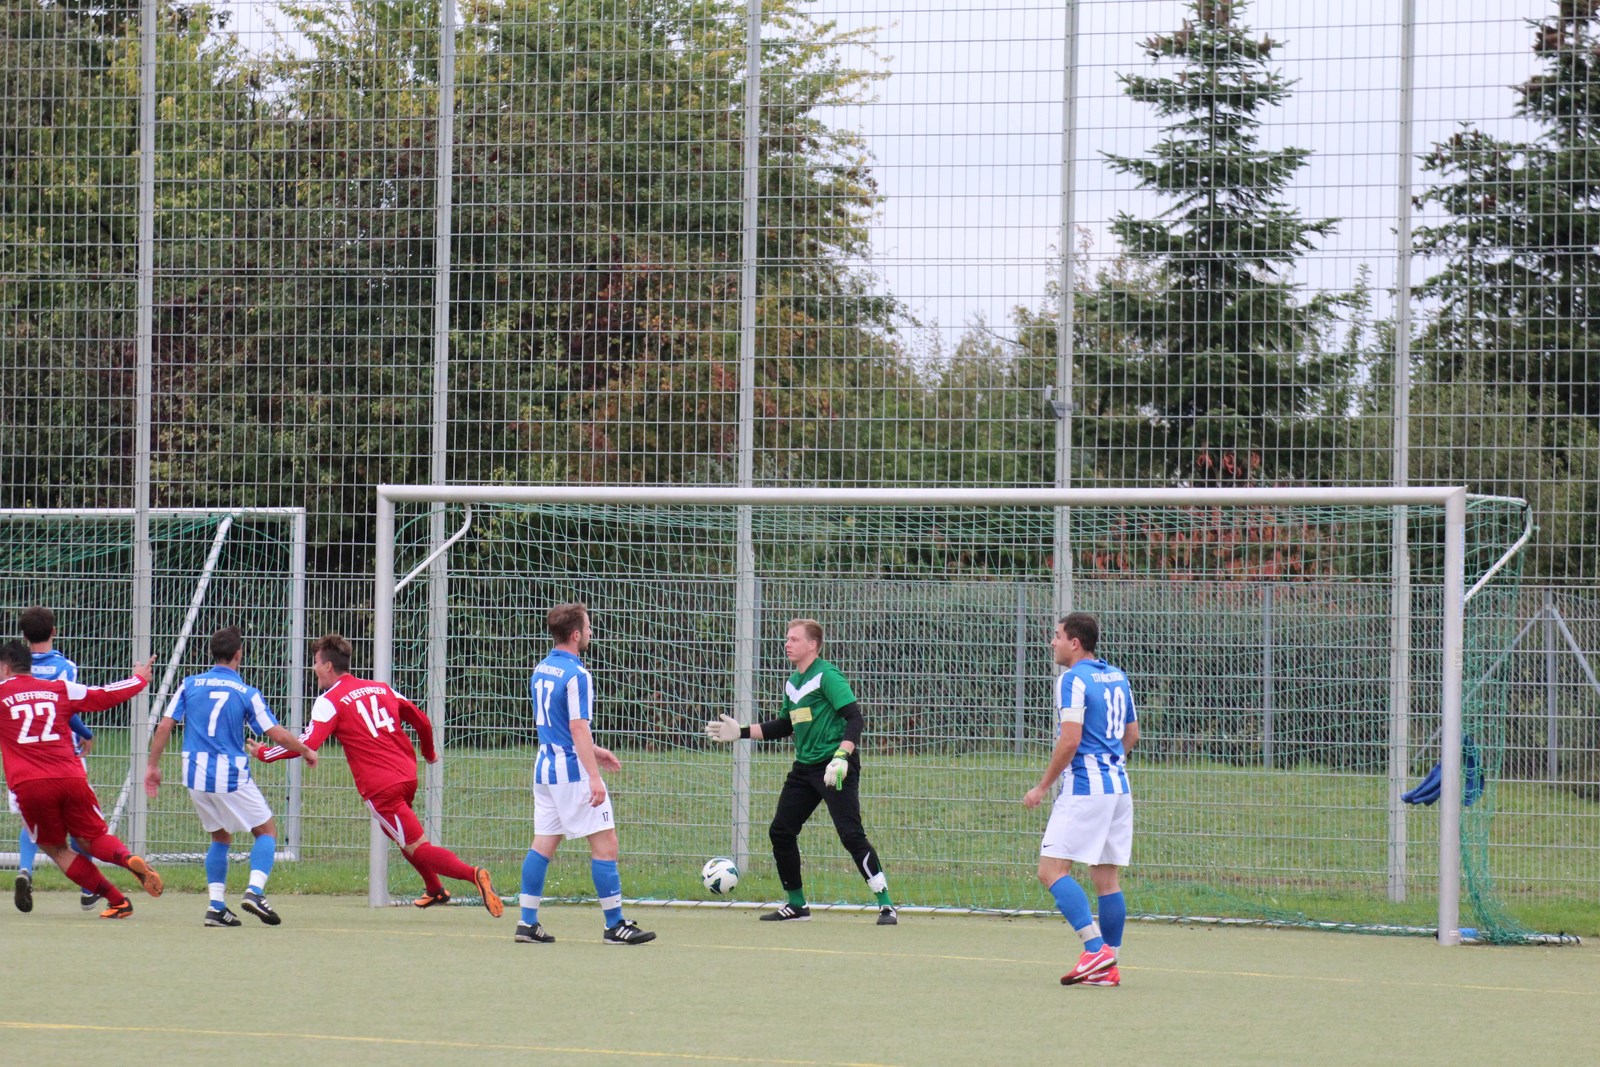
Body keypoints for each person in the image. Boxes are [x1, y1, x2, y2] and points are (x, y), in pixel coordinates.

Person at [251, 633, 502, 916]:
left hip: (382, 787)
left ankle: (474, 875)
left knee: (417, 845)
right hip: (407, 776)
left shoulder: (329, 700)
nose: (313, 668)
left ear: (328, 666)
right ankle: (434, 889)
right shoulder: (381, 688)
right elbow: (421, 720)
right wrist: (429, 753)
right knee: (399, 834)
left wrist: (264, 754)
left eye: (315, 662)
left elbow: (307, 744)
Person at [705, 618, 897, 925]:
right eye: (787, 638)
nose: (787, 643)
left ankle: (886, 904)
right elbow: (784, 725)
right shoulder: (792, 683)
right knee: (781, 831)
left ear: (813, 644)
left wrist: (841, 756)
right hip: (804, 769)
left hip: (834, 766)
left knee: (850, 834)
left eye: (794, 639)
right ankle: (796, 905)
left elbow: (855, 719)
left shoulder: (828, 676)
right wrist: (740, 732)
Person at [144, 626, 319, 927]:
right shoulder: (246, 693)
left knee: (220, 836)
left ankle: (216, 907)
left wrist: (152, 766)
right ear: (239, 655)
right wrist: (305, 750)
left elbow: (164, 726)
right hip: (229, 773)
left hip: (195, 774)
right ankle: (255, 892)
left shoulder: (189, 684)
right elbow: (275, 733)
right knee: (266, 830)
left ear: (212, 654)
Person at [516, 602, 655, 946]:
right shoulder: (578, 674)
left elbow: (558, 726)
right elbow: (577, 728)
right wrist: (593, 776)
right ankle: (615, 925)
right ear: (576, 634)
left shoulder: (543, 668)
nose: (591, 633)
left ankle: (526, 922)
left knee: (543, 844)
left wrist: (595, 750)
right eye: (589, 629)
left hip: (545, 769)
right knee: (606, 845)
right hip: (572, 773)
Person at [0, 640, 164, 918]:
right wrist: (139, 679)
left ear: (4, 667)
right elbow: (103, 695)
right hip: (71, 776)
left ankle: (117, 900)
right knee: (94, 837)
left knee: (57, 848)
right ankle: (128, 859)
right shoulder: (58, 689)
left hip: (31, 785)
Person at [1022, 612, 1139, 988]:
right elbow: (1132, 733)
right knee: (1106, 878)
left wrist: (1042, 786)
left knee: (1051, 870)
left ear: (1075, 642)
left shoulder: (1071, 679)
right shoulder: (1118, 676)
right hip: (1118, 788)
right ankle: (1110, 967)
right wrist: (1109, 762)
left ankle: (1094, 949)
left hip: (1086, 788)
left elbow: (1070, 740)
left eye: (1056, 636)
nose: (1052, 642)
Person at [12, 606, 99, 913]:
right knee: (79, 822)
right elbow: (68, 708)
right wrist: (86, 733)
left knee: (30, 819)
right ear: (54, 632)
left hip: (24, 758)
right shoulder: (66, 667)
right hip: (63, 757)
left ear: (23, 637)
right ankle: (89, 888)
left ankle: (25, 869)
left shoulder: (13, 670)